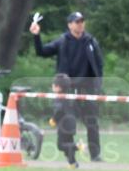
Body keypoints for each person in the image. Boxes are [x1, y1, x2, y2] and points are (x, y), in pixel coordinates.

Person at [30, 11, 104, 161]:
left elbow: (99, 64)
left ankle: (95, 155)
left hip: (87, 89)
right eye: (77, 22)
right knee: (66, 123)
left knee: (92, 122)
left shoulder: (91, 41)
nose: (80, 24)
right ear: (70, 25)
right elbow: (41, 52)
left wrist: (98, 84)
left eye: (82, 21)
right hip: (67, 90)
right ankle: (70, 152)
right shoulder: (62, 41)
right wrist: (36, 36)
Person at [49, 73, 79, 168]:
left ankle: (78, 146)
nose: (52, 86)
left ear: (58, 88)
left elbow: (59, 110)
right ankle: (73, 164)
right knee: (68, 146)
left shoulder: (59, 98)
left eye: (53, 85)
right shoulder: (68, 97)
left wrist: (53, 120)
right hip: (71, 124)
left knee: (61, 145)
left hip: (64, 126)